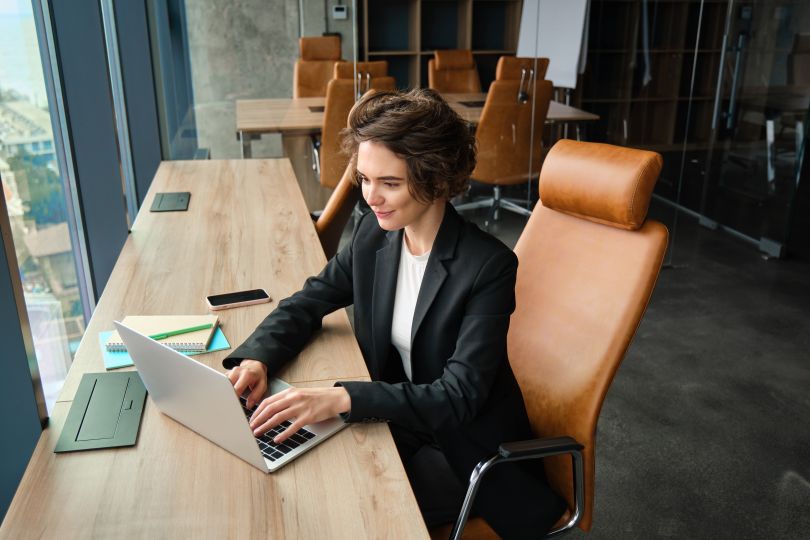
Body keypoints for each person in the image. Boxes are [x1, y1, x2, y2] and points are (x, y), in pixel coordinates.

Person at [223, 88, 565, 537]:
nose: (371, 198)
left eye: (390, 183)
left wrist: (344, 397)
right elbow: (311, 299)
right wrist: (257, 359)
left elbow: (458, 396)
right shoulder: (374, 234)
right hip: (402, 423)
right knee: (295, 474)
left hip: (467, 453)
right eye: (364, 179)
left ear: (436, 178)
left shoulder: (487, 266)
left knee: (339, 510)